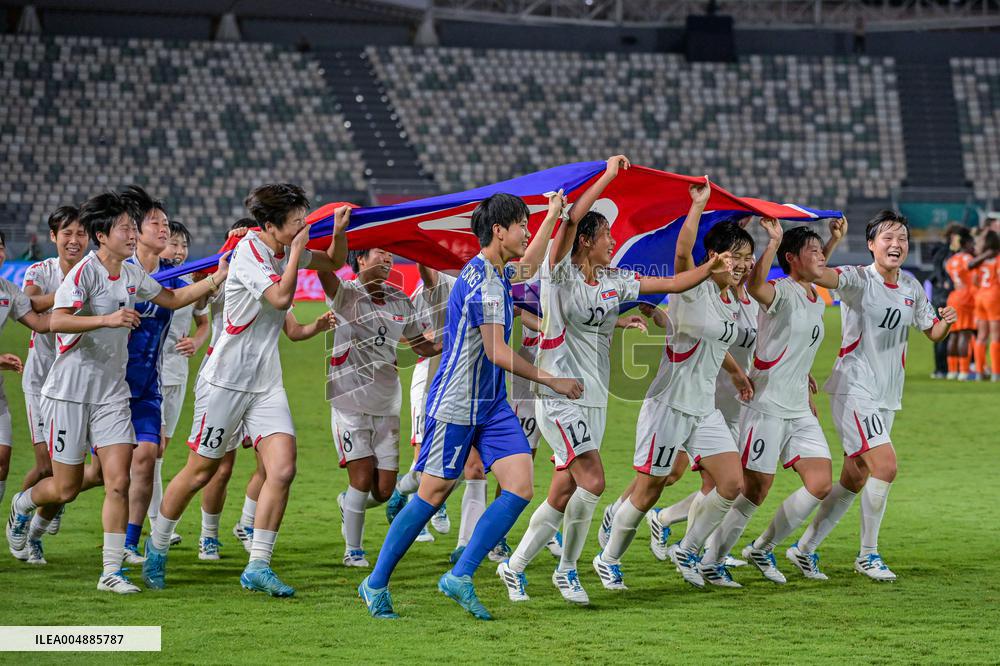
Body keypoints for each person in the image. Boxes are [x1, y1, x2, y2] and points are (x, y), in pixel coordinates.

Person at [497, 156, 735, 604]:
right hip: (558, 391)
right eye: (607, 234)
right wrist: (608, 177)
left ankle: (515, 565)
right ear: (587, 240)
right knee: (593, 480)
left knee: (565, 488)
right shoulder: (561, 271)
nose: (614, 241)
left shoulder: (615, 282)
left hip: (591, 397)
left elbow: (673, 284)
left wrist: (710, 268)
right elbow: (566, 224)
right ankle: (567, 571)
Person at [358, 190, 582, 620]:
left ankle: (460, 575)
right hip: (458, 403)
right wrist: (553, 380)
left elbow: (530, 265)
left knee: (519, 486)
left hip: (492, 403)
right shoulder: (485, 283)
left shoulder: (494, 271)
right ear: (499, 231)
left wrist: (552, 214)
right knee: (432, 494)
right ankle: (375, 583)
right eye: (522, 225)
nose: (526, 232)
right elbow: (497, 351)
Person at [7, 191, 226, 592]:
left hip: (111, 394)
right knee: (66, 487)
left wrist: (215, 279)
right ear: (102, 235)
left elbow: (173, 297)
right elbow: (56, 321)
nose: (131, 233)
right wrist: (107, 319)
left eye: (132, 226)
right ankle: (22, 507)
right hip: (69, 392)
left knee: (118, 480)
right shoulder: (84, 273)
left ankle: (111, 571)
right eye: (125, 227)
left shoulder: (130, 274)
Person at [142, 185, 348, 597]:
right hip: (224, 382)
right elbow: (281, 295)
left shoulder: (283, 244)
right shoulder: (249, 254)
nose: (303, 228)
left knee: (283, 468)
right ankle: (157, 545)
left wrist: (339, 231)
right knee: (200, 470)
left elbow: (335, 261)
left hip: (265, 381)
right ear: (271, 226)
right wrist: (296, 253)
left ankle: (258, 564)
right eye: (296, 223)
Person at [593, 182, 754, 591]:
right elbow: (683, 251)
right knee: (649, 489)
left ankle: (688, 550)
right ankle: (607, 557)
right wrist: (697, 207)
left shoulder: (732, 301)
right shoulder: (692, 286)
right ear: (715, 257)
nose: (744, 265)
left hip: (704, 408)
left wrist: (736, 374)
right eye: (737, 257)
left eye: (748, 258)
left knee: (732, 484)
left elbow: (715, 345)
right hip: (668, 402)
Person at [794, 210, 956, 581]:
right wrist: (830, 241)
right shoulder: (857, 279)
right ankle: (868, 555)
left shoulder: (912, 288)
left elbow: (931, 332)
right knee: (885, 466)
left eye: (902, 238)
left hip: (887, 395)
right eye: (887, 238)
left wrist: (945, 321)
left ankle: (803, 549)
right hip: (854, 388)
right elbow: (820, 274)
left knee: (854, 477)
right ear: (871, 245)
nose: (896, 244)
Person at [699, 219, 845, 588]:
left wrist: (831, 241)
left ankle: (763, 548)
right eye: (811, 251)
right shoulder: (779, 291)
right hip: (765, 403)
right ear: (792, 259)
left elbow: (811, 273)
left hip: (798, 405)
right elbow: (755, 284)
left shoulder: (813, 293)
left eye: (820, 252)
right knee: (755, 489)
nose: (820, 257)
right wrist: (773, 240)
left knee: (821, 483)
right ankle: (711, 560)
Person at [318, 239, 441, 568]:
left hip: (387, 403)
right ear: (359, 260)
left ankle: (349, 505)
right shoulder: (345, 294)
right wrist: (335, 234)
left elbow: (420, 346)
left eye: (390, 254)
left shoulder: (401, 300)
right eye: (379, 252)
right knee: (360, 478)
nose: (387, 258)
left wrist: (449, 341)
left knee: (385, 490)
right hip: (349, 402)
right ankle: (353, 551)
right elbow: (322, 267)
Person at [16, 207, 87, 534]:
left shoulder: (94, 270)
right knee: (47, 466)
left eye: (81, 234)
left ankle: (40, 524)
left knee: (67, 469)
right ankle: (20, 512)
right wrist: (67, 294)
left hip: (78, 384)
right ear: (53, 237)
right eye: (67, 233)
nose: (74, 240)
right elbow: (28, 304)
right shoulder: (41, 271)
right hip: (41, 381)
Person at [155, 220, 212, 555]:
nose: (178, 251)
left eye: (183, 245)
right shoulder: (148, 280)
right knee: (154, 451)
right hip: (147, 377)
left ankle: (151, 520)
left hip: (177, 375)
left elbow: (203, 322)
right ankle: (154, 519)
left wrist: (195, 340)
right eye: (172, 244)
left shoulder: (192, 281)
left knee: (158, 450)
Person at [1, 229, 51, 560]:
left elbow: (40, 322)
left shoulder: (7, 291)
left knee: (2, 464)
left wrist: (84, 303)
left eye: (0, 248)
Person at [944, 228, 977, 380]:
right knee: (965, 333)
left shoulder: (951, 260)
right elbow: (974, 279)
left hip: (954, 296)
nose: (974, 246)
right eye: (972, 243)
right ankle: (964, 371)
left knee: (953, 335)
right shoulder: (968, 259)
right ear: (967, 243)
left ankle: (952, 371)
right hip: (966, 297)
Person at [970, 230, 999, 380]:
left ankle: (979, 373)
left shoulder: (979, 261)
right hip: (994, 297)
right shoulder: (998, 259)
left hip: (980, 296)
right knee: (995, 337)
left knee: (981, 336)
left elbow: (975, 280)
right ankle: (996, 373)